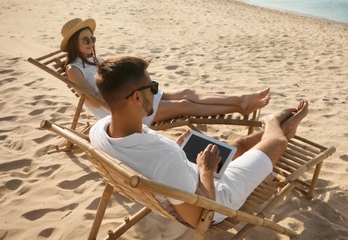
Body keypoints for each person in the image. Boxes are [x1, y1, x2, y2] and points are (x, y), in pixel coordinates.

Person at [89, 55, 309, 227]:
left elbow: (152, 161)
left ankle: (277, 130)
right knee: (278, 143)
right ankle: (274, 124)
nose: (157, 92)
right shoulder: (165, 157)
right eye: (152, 87)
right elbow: (203, 216)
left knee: (239, 146)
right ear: (137, 97)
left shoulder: (99, 129)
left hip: (182, 175)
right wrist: (206, 169)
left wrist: (180, 153)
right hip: (222, 195)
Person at [60, 18, 271, 125]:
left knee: (188, 91)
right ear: (73, 44)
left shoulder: (96, 60)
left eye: (92, 39)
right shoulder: (74, 69)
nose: (90, 43)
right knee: (185, 105)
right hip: (124, 111)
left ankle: (241, 100)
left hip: (134, 96)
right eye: (85, 40)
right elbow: (97, 101)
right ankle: (237, 108)